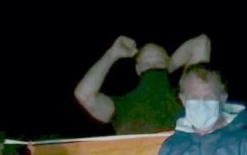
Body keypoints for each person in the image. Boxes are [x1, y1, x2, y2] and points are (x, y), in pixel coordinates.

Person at [74, 34, 211, 135]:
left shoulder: (184, 97)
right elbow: (84, 95)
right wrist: (113, 53)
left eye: (158, 62)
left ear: (168, 65)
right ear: (137, 70)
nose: (153, 67)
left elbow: (201, 43)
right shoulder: (122, 105)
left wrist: (166, 67)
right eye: (146, 64)